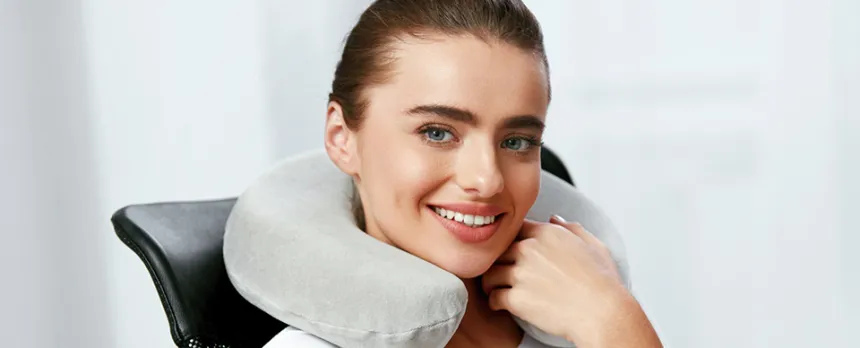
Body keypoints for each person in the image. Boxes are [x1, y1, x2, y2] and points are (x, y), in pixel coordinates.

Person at [265, 0, 662, 347]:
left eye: (517, 141)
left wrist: (612, 321)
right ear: (341, 138)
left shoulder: (587, 314)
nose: (487, 180)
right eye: (437, 132)